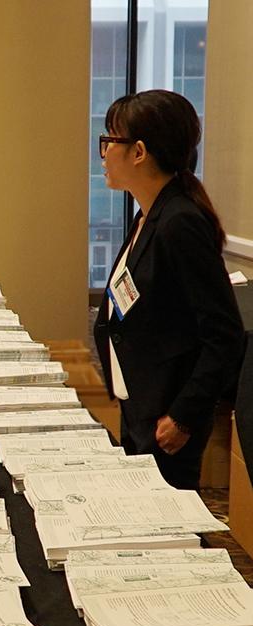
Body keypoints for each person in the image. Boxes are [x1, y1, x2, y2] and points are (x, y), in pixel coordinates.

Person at [94, 89, 244, 490]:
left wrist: (183, 415)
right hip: (140, 407)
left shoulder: (180, 221)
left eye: (110, 140)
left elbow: (224, 333)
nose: (103, 152)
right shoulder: (150, 214)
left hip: (166, 420)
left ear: (139, 152)